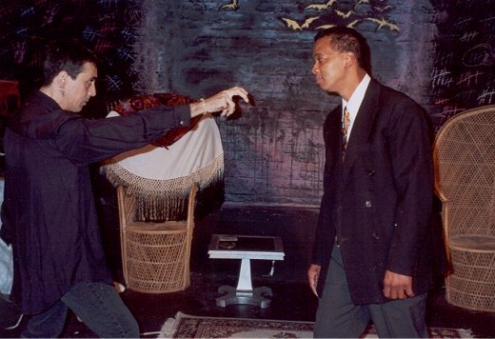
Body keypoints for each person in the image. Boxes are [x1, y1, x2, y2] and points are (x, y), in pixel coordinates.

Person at [0, 40, 250, 338]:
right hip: (67, 260)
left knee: (43, 329)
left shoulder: (21, 119)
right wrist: (202, 106)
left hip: (36, 255)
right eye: (89, 82)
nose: (93, 92)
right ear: (63, 78)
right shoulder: (60, 131)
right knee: (123, 331)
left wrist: (13, 234)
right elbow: (128, 129)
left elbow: (14, 192)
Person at [307, 26, 441, 338]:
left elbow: (417, 194)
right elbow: (332, 195)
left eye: (320, 59)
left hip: (391, 255)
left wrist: (402, 264)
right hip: (344, 255)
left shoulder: (400, 112)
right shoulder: (333, 121)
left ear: (348, 59)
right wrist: (320, 257)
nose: (314, 68)